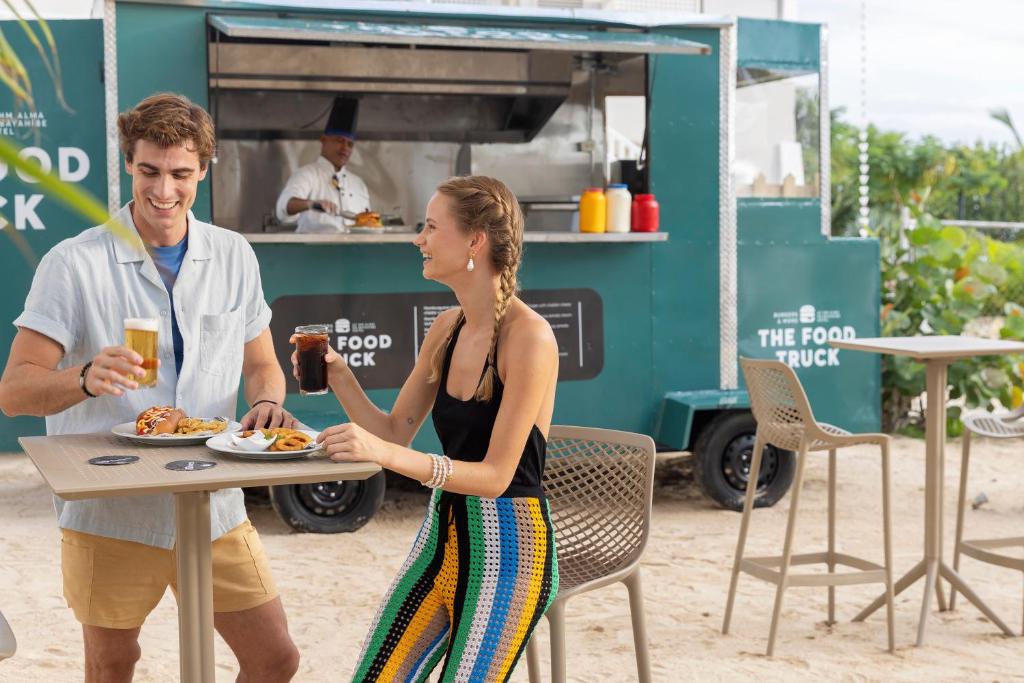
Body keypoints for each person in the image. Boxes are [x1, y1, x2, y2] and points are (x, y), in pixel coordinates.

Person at [0, 93, 301, 682]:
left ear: (203, 172)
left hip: (213, 504)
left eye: (181, 174)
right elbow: (14, 390)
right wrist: (84, 378)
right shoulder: (73, 264)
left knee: (275, 658)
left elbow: (263, 366)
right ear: (129, 165)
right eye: (150, 172)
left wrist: (267, 400)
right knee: (114, 664)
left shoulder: (234, 255)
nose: (165, 191)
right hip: (112, 509)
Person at [295, 176, 560, 682]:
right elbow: (395, 433)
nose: (419, 238)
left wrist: (386, 457)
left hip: (512, 552)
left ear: (475, 242)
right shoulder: (446, 327)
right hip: (442, 535)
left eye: (432, 226)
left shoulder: (530, 338)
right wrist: (342, 378)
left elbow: (497, 476)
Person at [275, 96, 370, 233]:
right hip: (314, 253)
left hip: (355, 252)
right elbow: (283, 207)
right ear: (324, 140)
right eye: (339, 140)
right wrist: (311, 204)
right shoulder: (307, 174)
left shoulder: (358, 183)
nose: (345, 148)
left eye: (349, 144)